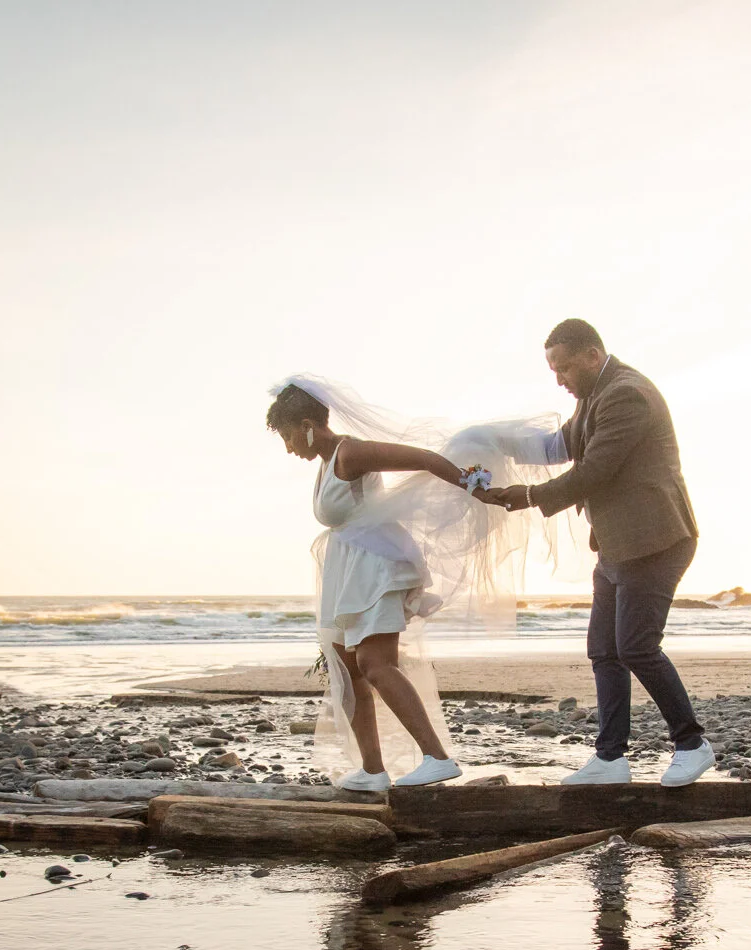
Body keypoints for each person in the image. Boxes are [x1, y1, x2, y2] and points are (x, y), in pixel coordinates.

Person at [267, 378, 571, 793]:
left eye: (287, 436)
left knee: (376, 665)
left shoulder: (351, 452)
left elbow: (426, 459)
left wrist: (473, 488)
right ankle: (373, 770)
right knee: (347, 672)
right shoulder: (325, 463)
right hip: (346, 570)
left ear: (306, 424)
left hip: (375, 568)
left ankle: (438, 758)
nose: (288, 448)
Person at [479, 320, 714, 786]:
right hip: (616, 546)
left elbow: (596, 470)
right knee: (603, 650)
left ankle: (692, 744)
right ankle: (610, 760)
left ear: (592, 354)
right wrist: (486, 440)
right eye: (553, 369)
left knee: (636, 647)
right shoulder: (593, 396)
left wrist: (528, 497)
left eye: (563, 366)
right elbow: (555, 447)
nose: (558, 377)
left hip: (656, 539)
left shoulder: (626, 394)